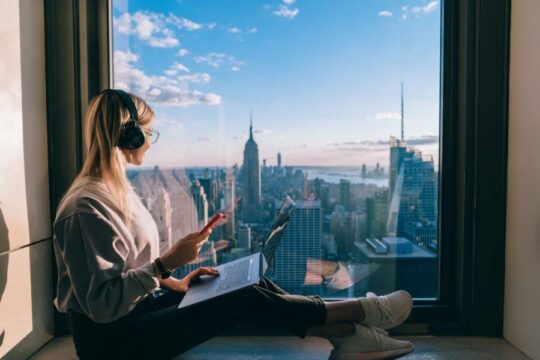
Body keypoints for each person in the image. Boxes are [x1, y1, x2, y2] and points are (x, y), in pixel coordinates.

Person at [52, 89, 415, 360]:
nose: (150, 139)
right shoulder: (86, 208)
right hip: (113, 343)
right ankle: (364, 311)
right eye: (148, 131)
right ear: (129, 135)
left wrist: (177, 283)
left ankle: (347, 333)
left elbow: (127, 270)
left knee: (244, 279)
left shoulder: (116, 191)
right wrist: (166, 264)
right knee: (240, 298)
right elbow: (101, 305)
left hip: (135, 313)